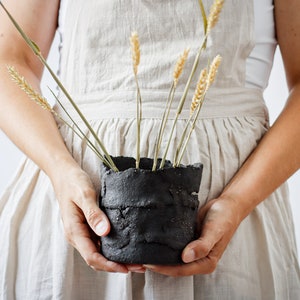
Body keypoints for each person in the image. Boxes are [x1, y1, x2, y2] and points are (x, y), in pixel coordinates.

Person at [0, 0, 299, 299]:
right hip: (76, 207)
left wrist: (237, 201)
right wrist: (60, 172)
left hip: (237, 212)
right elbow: (9, 61)